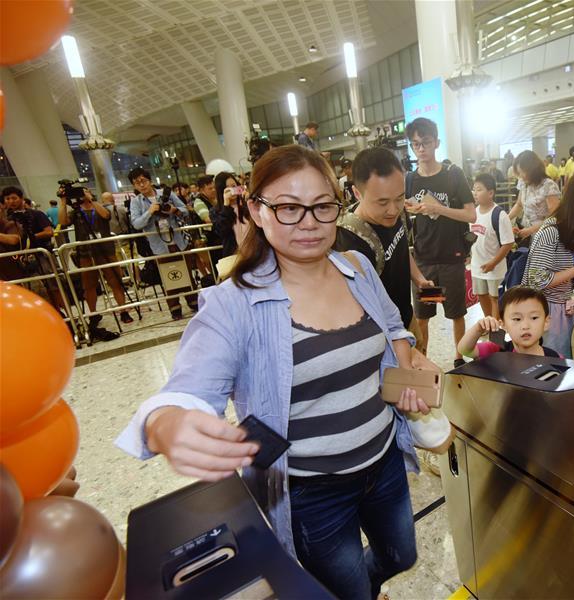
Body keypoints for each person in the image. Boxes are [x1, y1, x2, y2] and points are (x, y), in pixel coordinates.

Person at [116, 145, 426, 600]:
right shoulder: (234, 303)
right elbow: (187, 390)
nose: (309, 222)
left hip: (382, 463)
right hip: (311, 491)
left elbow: (395, 327)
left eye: (322, 207)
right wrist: (168, 424)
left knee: (402, 555)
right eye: (287, 208)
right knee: (349, 591)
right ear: (256, 211)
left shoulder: (357, 268)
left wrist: (410, 368)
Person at [333, 147, 433, 329]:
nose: (393, 209)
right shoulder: (348, 240)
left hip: (406, 317)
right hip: (382, 334)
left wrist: (420, 280)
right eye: (382, 202)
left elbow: (401, 250)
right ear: (357, 193)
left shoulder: (397, 213)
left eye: (399, 198)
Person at [404, 117, 476, 368]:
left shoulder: (452, 175)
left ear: (436, 143)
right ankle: (423, 360)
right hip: (426, 261)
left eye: (425, 143)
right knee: (424, 316)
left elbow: (470, 214)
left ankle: (459, 360)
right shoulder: (411, 179)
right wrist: (412, 209)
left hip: (451, 258)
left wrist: (439, 208)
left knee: (456, 313)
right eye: (415, 144)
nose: (421, 149)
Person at [522, 169, 574, 358]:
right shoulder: (551, 231)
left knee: (563, 360)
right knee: (552, 365)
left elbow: (559, 269)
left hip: (563, 309)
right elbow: (536, 280)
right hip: (545, 312)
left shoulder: (571, 229)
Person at [58, 186, 133, 339]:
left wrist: (91, 199)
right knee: (89, 285)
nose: (82, 195)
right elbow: (62, 222)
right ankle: (93, 315)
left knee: (115, 282)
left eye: (84, 191)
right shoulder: (75, 211)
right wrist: (64, 201)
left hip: (106, 250)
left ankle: (123, 311)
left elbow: (106, 215)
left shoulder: (100, 207)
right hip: (86, 252)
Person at [127, 167, 197, 319]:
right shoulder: (136, 202)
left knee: (186, 271)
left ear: (150, 180)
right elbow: (136, 224)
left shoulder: (166, 193)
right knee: (168, 275)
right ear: (134, 186)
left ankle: (192, 300)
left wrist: (173, 210)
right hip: (158, 243)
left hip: (178, 240)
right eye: (137, 183)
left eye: (143, 181)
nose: (141, 185)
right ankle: (175, 307)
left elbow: (185, 210)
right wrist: (150, 211)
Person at [2, 186, 65, 310]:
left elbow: (49, 232)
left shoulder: (36, 214)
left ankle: (63, 314)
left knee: (54, 286)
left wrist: (29, 237)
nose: (11, 201)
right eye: (7, 199)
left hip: (41, 255)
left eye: (14, 198)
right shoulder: (7, 220)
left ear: (21, 199)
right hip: (20, 260)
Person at [458, 286, 562, 359]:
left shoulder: (555, 358)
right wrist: (478, 329)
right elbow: (465, 350)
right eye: (517, 319)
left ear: (546, 322)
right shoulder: (497, 350)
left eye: (534, 318)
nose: (525, 326)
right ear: (503, 325)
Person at [469, 173, 515, 320]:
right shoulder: (472, 213)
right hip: (477, 265)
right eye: (474, 189)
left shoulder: (499, 214)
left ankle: (496, 327)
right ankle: (489, 322)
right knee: (481, 295)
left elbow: (508, 243)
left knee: (495, 298)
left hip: (495, 268)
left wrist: (493, 262)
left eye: (479, 189)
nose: (475, 193)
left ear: (490, 193)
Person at [508, 150, 560, 243]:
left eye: (522, 172)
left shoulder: (548, 185)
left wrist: (531, 230)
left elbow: (554, 216)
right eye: (519, 173)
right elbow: (519, 204)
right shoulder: (524, 183)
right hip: (527, 233)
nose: (521, 176)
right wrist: (506, 219)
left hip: (545, 235)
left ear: (532, 169)